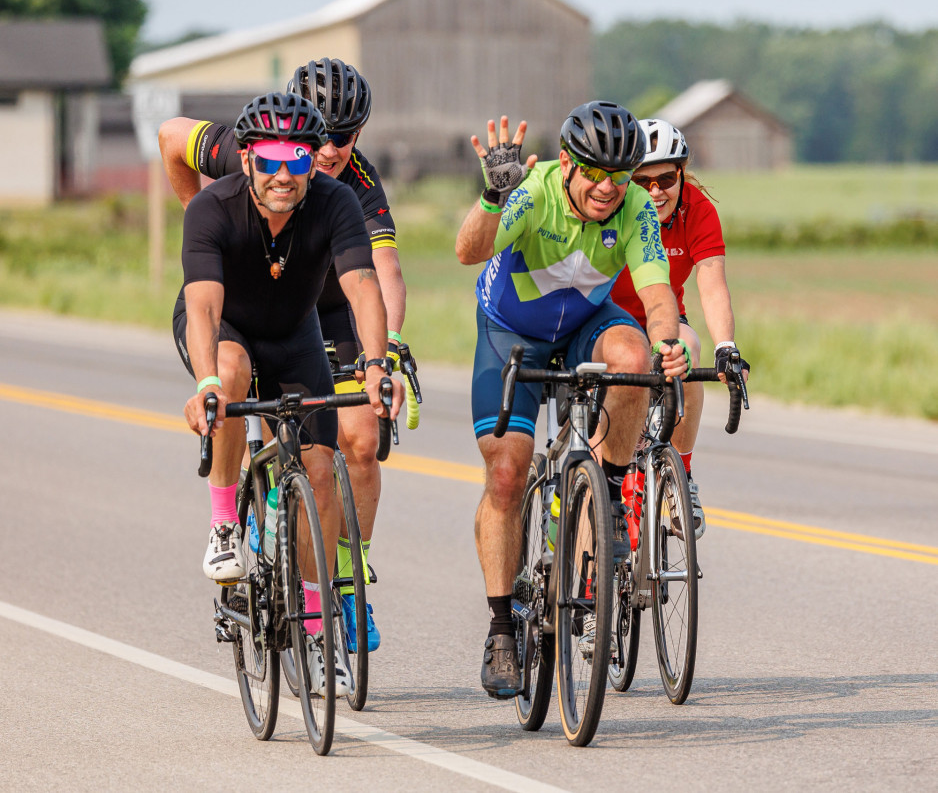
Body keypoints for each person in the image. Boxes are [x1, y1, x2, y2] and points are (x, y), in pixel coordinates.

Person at [161, 58, 404, 653]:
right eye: (316, 135)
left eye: (339, 140)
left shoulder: (354, 189)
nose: (319, 156)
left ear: (355, 137)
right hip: (240, 304)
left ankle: (342, 586)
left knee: (361, 437)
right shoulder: (246, 151)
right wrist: (210, 224)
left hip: (318, 302)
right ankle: (230, 515)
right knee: (236, 376)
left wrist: (385, 356)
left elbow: (379, 275)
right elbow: (171, 137)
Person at [455, 101, 691, 699]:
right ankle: (503, 627)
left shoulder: (634, 206)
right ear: (568, 164)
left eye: (620, 178)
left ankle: (608, 492)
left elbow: (657, 290)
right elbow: (467, 250)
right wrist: (492, 197)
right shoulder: (534, 193)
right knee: (507, 475)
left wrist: (668, 343)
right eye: (595, 175)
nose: (609, 190)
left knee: (635, 359)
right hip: (512, 332)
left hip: (585, 322)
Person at [610, 119, 750, 539]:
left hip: (664, 319)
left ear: (682, 174)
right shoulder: (613, 207)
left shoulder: (697, 209)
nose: (656, 192)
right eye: (644, 181)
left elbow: (711, 283)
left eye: (667, 179)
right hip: (607, 319)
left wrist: (727, 345)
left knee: (685, 354)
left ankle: (682, 477)